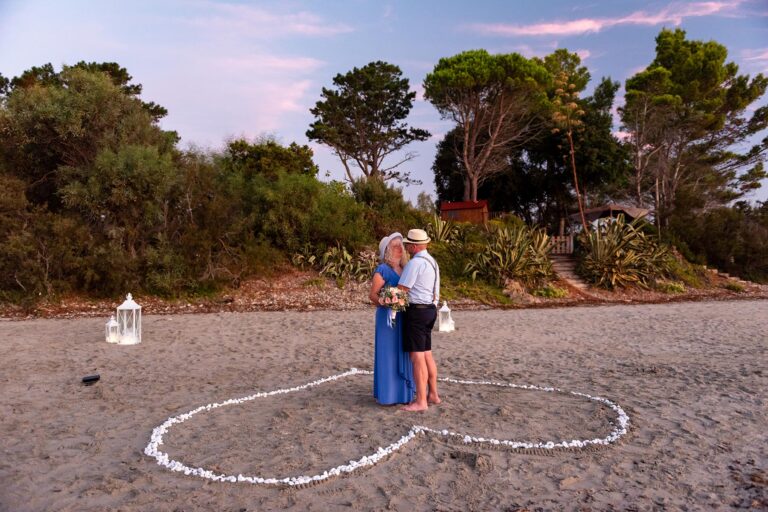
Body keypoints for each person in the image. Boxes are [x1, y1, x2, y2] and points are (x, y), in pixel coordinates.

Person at [369, 232, 415, 405]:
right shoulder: (382, 270)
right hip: (387, 319)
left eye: (400, 246)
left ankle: (403, 394)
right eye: (395, 246)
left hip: (404, 317)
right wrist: (386, 302)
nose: (399, 249)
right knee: (388, 353)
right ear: (387, 250)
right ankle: (388, 394)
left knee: (403, 351)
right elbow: (372, 295)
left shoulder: (406, 268)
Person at [398, 228, 441, 412]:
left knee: (417, 356)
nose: (406, 248)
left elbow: (402, 289)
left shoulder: (415, 263)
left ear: (414, 246)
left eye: (408, 245)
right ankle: (433, 394)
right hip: (431, 310)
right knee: (426, 353)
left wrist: (387, 299)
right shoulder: (432, 262)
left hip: (417, 311)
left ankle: (421, 400)